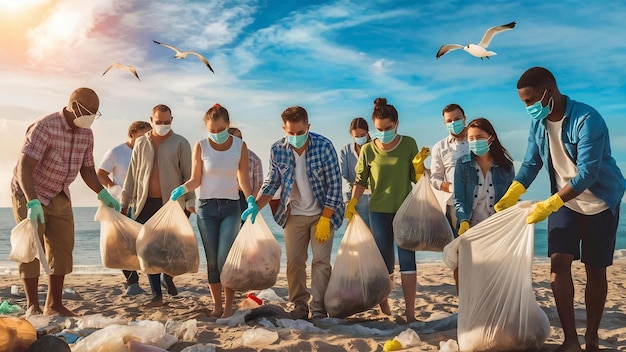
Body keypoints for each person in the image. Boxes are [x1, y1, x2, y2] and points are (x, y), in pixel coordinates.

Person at [494, 66, 625, 352]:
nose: (527, 107)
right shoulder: (539, 123)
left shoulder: (588, 120)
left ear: (549, 93)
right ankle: (570, 340)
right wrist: (513, 192)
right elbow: (531, 163)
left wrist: (551, 202)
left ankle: (591, 337)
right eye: (523, 102)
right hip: (566, 204)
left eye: (530, 101)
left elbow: (588, 173)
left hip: (600, 202)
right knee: (558, 265)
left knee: (596, 270)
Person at [10, 87, 120, 316]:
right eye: (88, 110)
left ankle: (54, 304)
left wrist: (103, 193)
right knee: (31, 248)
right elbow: (24, 167)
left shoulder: (86, 134)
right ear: (74, 106)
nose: (91, 116)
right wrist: (32, 202)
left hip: (60, 193)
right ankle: (33, 305)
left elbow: (88, 170)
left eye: (95, 112)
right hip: (30, 191)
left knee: (62, 248)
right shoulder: (44, 127)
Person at [250, 106, 344, 320]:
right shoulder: (277, 150)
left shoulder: (324, 146)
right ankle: (299, 305)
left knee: (321, 262)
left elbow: (335, 186)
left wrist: (326, 218)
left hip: (323, 212)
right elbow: (271, 182)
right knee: (294, 262)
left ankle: (319, 309)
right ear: (284, 128)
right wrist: (257, 205)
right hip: (294, 214)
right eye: (290, 133)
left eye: (300, 133)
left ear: (308, 127)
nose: (295, 137)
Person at [345, 97, 429, 323]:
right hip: (379, 212)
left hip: (405, 211)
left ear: (397, 124)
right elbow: (360, 180)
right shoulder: (368, 150)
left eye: (388, 128)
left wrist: (420, 167)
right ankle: (385, 309)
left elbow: (417, 179)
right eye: (379, 129)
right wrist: (352, 203)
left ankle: (411, 314)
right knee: (384, 263)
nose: (383, 133)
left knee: (408, 262)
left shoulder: (409, 144)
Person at [171, 104, 258, 318]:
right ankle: (217, 307)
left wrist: (251, 200)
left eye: (220, 130)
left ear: (228, 125)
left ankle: (228, 308)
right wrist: (183, 188)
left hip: (231, 207)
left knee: (225, 259)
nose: (216, 134)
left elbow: (243, 179)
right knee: (212, 261)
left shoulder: (240, 146)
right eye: (212, 130)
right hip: (206, 208)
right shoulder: (200, 146)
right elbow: (196, 179)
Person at [120, 104, 195, 308]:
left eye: (167, 121)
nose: (163, 125)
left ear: (172, 119)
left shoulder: (181, 143)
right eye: (159, 121)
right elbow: (132, 175)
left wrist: (190, 202)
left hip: (171, 205)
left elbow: (189, 176)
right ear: (151, 120)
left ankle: (168, 277)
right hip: (145, 203)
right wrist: (125, 201)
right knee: (147, 249)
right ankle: (156, 294)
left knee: (169, 249)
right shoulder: (141, 143)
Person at [97, 120, 152, 296]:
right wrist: (115, 189)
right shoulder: (116, 152)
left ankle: (156, 276)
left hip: (143, 203)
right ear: (131, 135)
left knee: (147, 241)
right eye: (143, 136)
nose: (147, 139)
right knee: (123, 244)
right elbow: (100, 173)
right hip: (122, 204)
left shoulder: (148, 152)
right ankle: (132, 282)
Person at [454, 117, 515, 234]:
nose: (475, 142)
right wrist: (463, 220)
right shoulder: (462, 164)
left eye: (480, 137)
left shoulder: (506, 166)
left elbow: (510, 199)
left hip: (498, 228)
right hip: (470, 228)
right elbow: (459, 198)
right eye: (471, 138)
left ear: (491, 138)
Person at [430, 103, 470, 236]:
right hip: (454, 206)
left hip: (482, 202)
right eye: (449, 121)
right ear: (444, 123)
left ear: (464, 118)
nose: (454, 123)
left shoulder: (477, 140)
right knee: (458, 247)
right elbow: (435, 178)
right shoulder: (439, 147)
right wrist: (449, 187)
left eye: (457, 119)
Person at [339, 117, 372, 227]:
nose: (360, 138)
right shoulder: (346, 151)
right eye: (356, 136)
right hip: (355, 198)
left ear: (368, 132)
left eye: (362, 135)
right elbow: (344, 177)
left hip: (375, 197)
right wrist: (348, 201)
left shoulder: (375, 148)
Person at [228, 127, 263, 224]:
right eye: (235, 139)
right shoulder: (223, 157)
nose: (238, 141)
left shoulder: (254, 159)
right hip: (227, 196)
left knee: (245, 227)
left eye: (240, 138)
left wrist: (251, 201)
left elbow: (258, 184)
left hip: (246, 197)